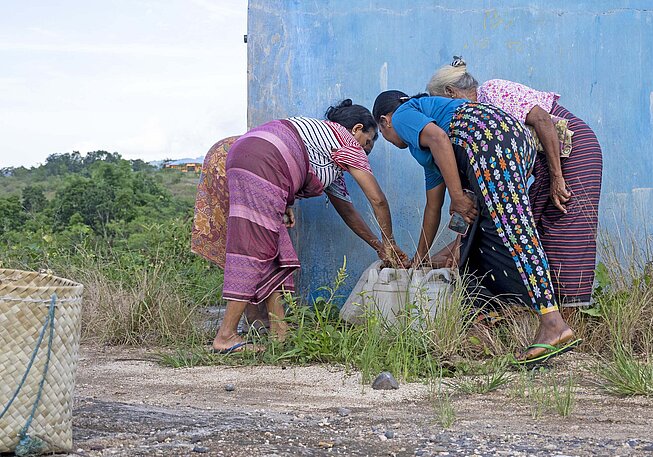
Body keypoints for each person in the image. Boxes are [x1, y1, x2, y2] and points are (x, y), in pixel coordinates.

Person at [372, 91, 578, 362]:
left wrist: (457, 197)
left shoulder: (402, 115)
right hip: (507, 141)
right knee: (481, 237)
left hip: (489, 141)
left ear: (385, 121)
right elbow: (433, 207)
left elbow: (440, 139)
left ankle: (553, 322)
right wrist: (419, 260)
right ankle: (497, 321)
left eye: (382, 133)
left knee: (514, 229)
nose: (388, 138)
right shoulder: (428, 154)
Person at [192, 99, 408, 353]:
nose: (367, 150)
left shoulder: (325, 153)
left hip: (244, 154)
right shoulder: (347, 143)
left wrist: (378, 246)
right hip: (264, 162)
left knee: (275, 248)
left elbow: (348, 211)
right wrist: (390, 242)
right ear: (356, 129)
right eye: (369, 141)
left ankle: (279, 333)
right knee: (254, 249)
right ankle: (225, 336)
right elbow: (377, 199)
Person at [426, 57, 603, 308]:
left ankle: (571, 317)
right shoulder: (474, 129)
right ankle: (544, 313)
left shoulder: (493, 91)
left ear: (450, 93)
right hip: (546, 164)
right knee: (533, 229)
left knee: (565, 231)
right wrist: (455, 246)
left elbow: (542, 120)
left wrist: (557, 178)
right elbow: (475, 199)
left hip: (571, 152)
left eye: (443, 105)